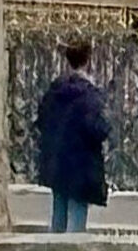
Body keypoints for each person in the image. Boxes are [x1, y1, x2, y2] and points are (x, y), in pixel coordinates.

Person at [35, 40, 110, 235]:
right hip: (81, 165)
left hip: (57, 162)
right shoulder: (89, 95)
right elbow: (98, 129)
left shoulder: (54, 91)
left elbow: (41, 120)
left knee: (58, 215)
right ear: (88, 61)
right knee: (76, 217)